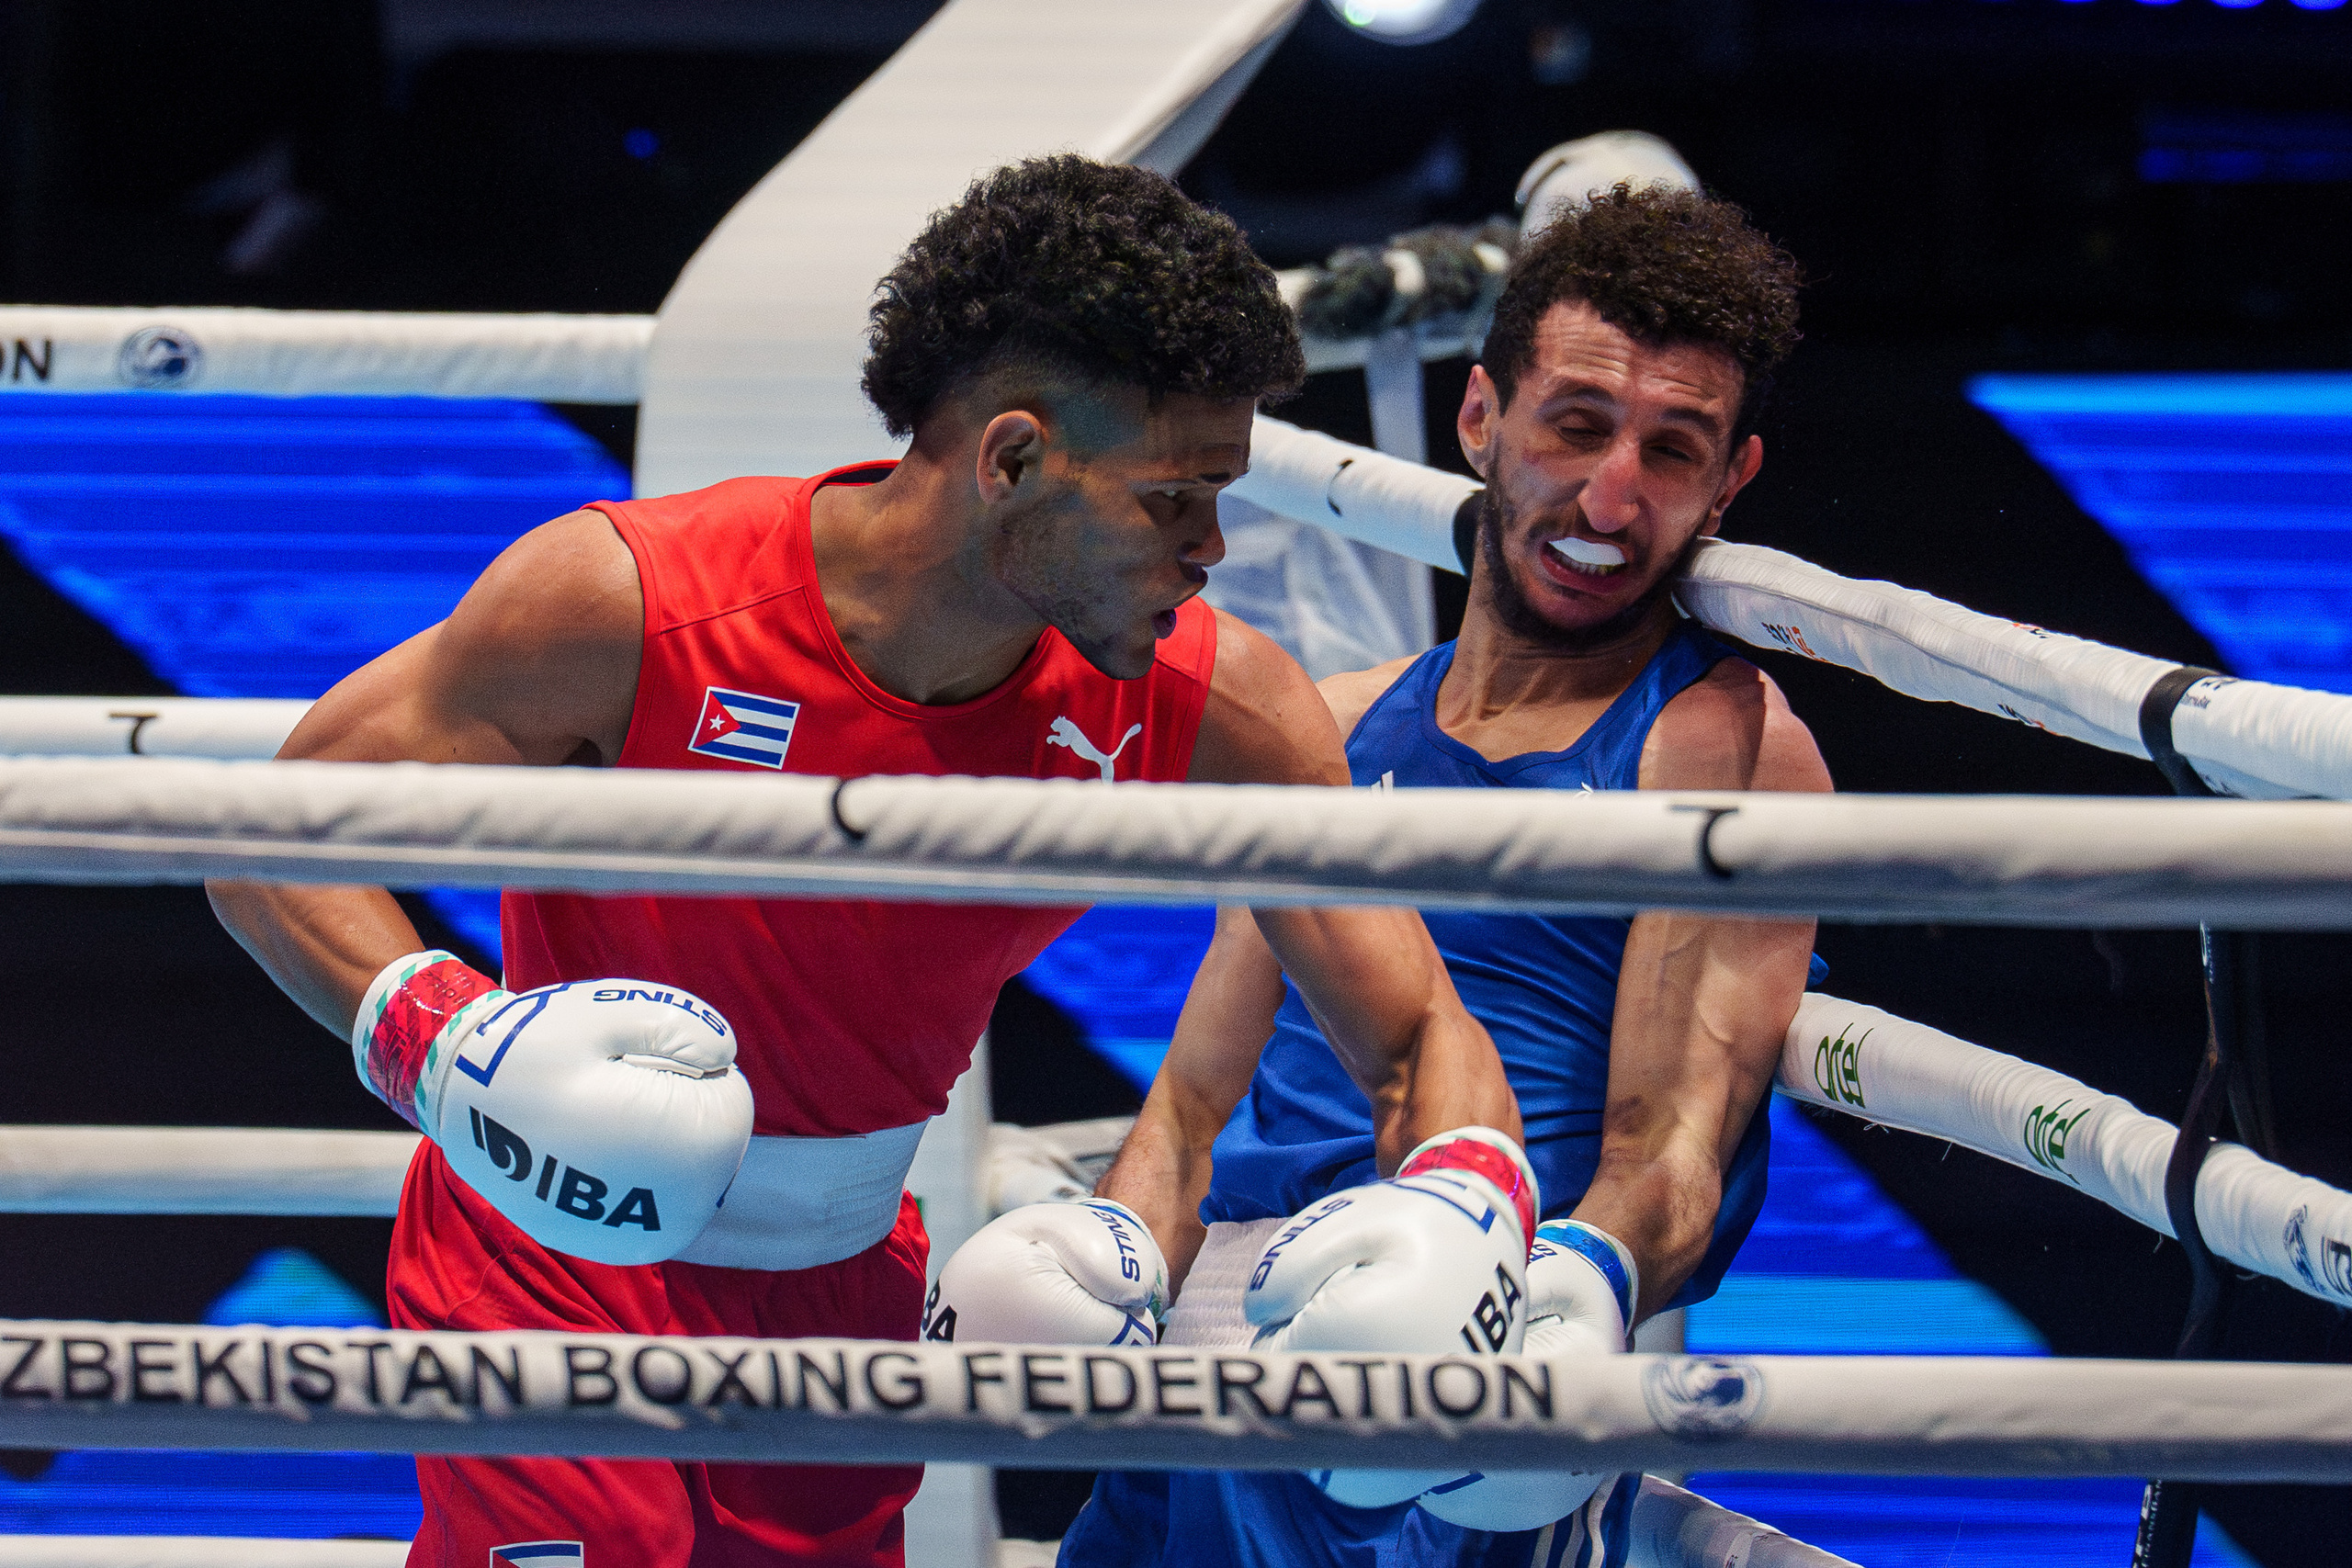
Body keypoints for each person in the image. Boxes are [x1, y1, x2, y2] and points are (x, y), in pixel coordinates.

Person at [205, 154, 1524, 1568]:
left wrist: (1476, 1208)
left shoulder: (1216, 704)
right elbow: (276, 837)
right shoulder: (633, 601)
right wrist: (444, 1039)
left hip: (841, 1284)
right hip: (549, 1260)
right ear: (1013, 458)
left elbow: (1416, 1031)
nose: (1212, 548)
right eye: (1172, 500)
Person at [1055, 184, 1834, 1566]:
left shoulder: (1719, 745)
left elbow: (1675, 1156)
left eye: (1673, 452)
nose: (1611, 497)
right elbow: (1189, 1106)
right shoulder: (1338, 720)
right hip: (1202, 1362)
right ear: (1481, 419)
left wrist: (1566, 1296)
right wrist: (1100, 1264)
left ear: (1733, 483)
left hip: (1435, 1352)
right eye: (1578, 427)